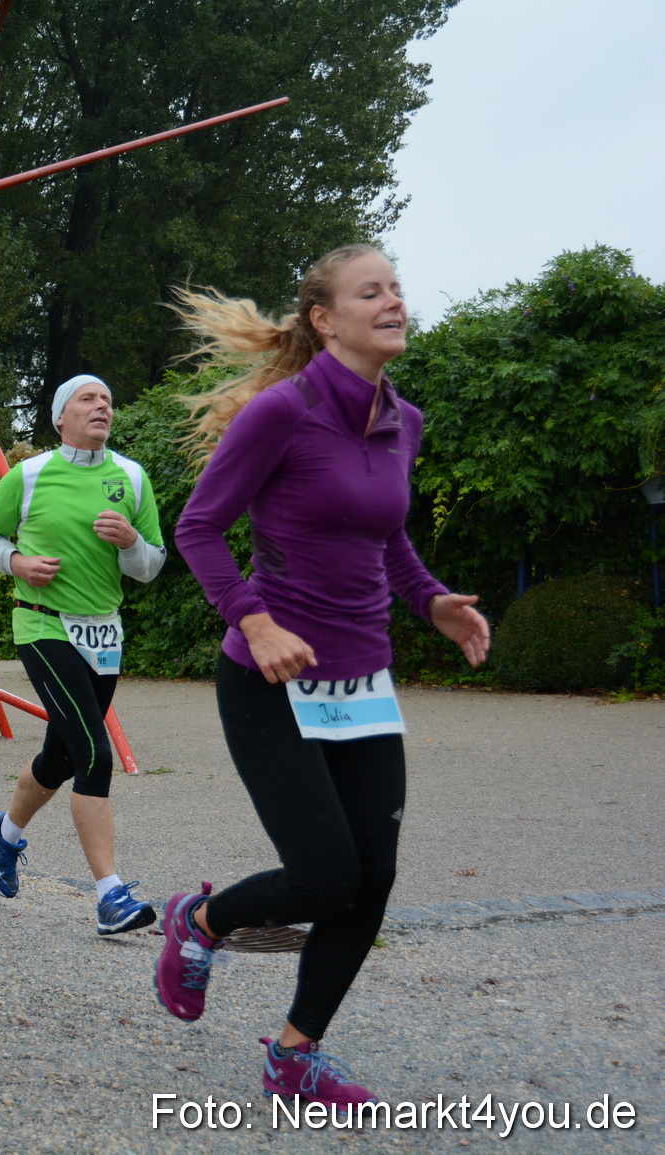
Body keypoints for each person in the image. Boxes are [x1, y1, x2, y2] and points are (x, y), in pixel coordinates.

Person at [163, 245, 491, 1105]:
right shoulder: (283, 412)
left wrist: (433, 605)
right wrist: (255, 618)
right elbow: (199, 527)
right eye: (370, 290)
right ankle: (198, 922)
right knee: (321, 873)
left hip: (361, 682)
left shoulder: (402, 419)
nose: (393, 301)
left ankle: (295, 1053)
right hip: (268, 679)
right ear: (324, 317)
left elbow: (388, 539)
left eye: (397, 288)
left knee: (371, 878)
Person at [0, 374, 166, 935]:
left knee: (58, 759)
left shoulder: (131, 476)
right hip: (42, 625)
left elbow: (151, 567)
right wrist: (18, 564)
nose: (102, 405)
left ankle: (3, 833)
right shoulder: (28, 475)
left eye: (108, 399)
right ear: (61, 416)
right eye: (88, 398)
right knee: (93, 754)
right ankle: (111, 896)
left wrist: (131, 543)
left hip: (105, 633)